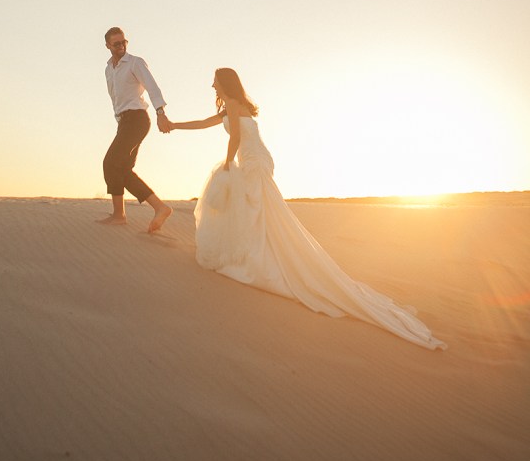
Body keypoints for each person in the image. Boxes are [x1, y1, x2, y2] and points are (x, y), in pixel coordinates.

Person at [165, 67, 446, 350]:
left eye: (214, 80)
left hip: (253, 161)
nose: (211, 84)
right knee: (254, 212)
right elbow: (203, 123)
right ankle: (252, 254)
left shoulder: (235, 105)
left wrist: (228, 164)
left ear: (224, 82)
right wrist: (175, 125)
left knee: (258, 211)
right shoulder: (228, 108)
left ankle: (260, 260)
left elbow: (235, 138)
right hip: (253, 159)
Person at [100, 27, 173, 233]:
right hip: (124, 122)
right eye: (116, 44)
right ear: (108, 46)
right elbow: (116, 99)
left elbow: (152, 87)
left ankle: (119, 215)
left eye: (124, 42)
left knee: (110, 162)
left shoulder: (135, 62)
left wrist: (161, 113)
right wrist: (119, 122)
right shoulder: (109, 69)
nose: (121, 46)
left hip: (138, 119)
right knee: (122, 169)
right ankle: (160, 208)